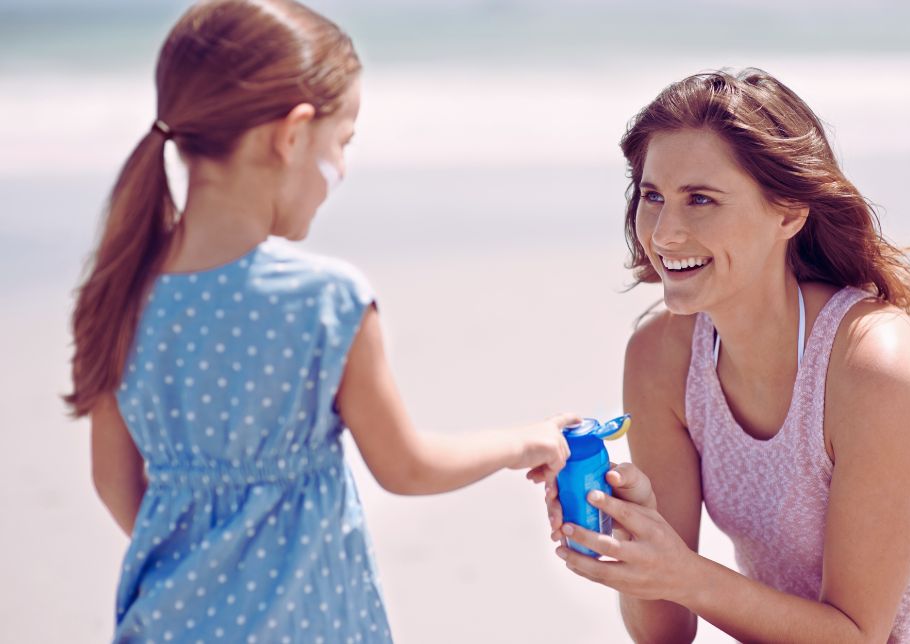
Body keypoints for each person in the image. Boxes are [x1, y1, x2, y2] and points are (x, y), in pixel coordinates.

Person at [64, 1, 573, 641]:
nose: (343, 165)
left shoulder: (118, 291)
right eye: (343, 141)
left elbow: (113, 480)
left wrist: (207, 568)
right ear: (293, 134)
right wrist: (524, 442)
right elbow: (406, 466)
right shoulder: (325, 300)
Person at [542, 69, 910, 642]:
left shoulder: (873, 365)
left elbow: (855, 636)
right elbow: (665, 633)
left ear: (789, 213)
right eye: (653, 196)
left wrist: (684, 573)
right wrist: (632, 539)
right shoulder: (661, 357)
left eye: (701, 199)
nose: (664, 233)